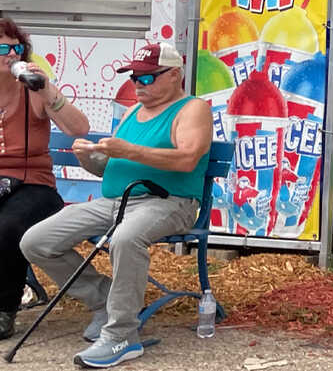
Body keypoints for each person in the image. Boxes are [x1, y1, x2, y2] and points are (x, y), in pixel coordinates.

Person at [21, 41, 211, 369]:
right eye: (135, 76)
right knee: (36, 241)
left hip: (168, 202)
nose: (138, 83)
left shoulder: (193, 109)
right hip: (115, 201)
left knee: (125, 237)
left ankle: (122, 335)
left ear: (175, 75)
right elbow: (111, 170)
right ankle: (106, 300)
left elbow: (187, 159)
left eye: (148, 77)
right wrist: (89, 159)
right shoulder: (134, 111)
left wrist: (129, 152)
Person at [0, 19, 90, 339]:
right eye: (2, 48)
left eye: (17, 48)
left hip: (34, 185)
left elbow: (79, 129)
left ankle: (4, 308)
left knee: (7, 226)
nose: (11, 55)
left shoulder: (34, 89)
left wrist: (48, 90)